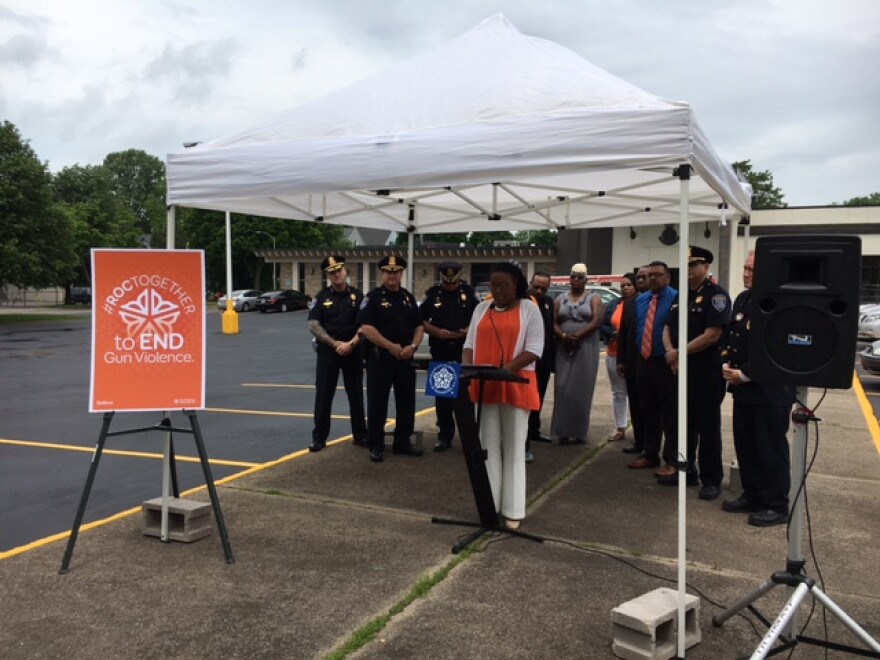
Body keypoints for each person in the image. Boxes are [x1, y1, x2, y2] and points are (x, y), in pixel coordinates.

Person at [463, 261, 543, 530]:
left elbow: (533, 350)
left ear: (516, 285)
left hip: (516, 383)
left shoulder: (530, 309)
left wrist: (503, 372)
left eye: (503, 285)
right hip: (484, 385)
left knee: (513, 447)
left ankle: (513, 508)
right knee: (487, 448)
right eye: (493, 285)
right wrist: (468, 371)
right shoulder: (480, 308)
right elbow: (469, 345)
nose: (497, 290)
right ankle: (490, 505)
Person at [721, 251, 795, 526]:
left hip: (770, 391)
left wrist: (746, 374)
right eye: (745, 268)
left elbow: (776, 348)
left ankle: (776, 504)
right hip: (743, 389)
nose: (746, 273)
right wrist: (725, 364)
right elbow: (733, 337)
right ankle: (751, 495)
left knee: (770, 449)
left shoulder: (778, 303)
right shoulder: (743, 299)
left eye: (752, 269)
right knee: (747, 445)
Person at [661, 246, 731, 501]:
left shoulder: (716, 296)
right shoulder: (682, 295)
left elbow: (712, 335)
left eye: (694, 265)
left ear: (706, 267)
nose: (689, 270)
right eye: (687, 266)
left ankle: (712, 479)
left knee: (708, 427)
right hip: (680, 369)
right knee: (684, 424)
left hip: (705, 373)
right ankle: (686, 470)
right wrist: (670, 351)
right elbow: (667, 327)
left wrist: (679, 352)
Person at [357, 255, 425, 463]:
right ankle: (376, 444)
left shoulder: (408, 297)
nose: (392, 275)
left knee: (407, 402)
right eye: (388, 271)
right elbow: (366, 328)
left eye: (396, 272)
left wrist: (412, 346)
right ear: (382, 274)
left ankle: (402, 442)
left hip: (405, 357)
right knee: (378, 402)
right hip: (381, 358)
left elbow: (419, 326)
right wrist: (390, 346)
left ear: (402, 273)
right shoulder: (373, 297)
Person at [307, 255, 368, 452]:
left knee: (356, 394)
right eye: (332, 272)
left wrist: (350, 344)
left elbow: (365, 325)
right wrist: (335, 345)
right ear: (328, 275)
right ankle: (319, 438)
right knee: (324, 395)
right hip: (328, 351)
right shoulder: (322, 297)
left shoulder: (358, 296)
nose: (336, 274)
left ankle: (360, 435)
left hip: (353, 350)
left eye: (339, 270)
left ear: (345, 271)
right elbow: (313, 325)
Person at [420, 261, 480, 452]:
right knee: (442, 396)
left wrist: (467, 331)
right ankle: (444, 436)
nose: (451, 285)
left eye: (453, 282)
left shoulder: (469, 293)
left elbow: (479, 318)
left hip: (464, 349)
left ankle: (469, 438)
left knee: (467, 396)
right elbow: (420, 320)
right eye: (447, 281)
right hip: (441, 348)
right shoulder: (432, 294)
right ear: (441, 278)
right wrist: (437, 332)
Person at [627, 261, 678, 471]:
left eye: (658, 275)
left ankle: (671, 458)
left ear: (668, 277)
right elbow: (637, 328)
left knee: (670, 413)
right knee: (647, 409)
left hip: (665, 361)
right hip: (643, 360)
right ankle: (650, 453)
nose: (653, 279)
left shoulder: (676, 297)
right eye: (650, 275)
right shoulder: (641, 300)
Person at [551, 263, 604, 445]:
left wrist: (578, 336)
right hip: (564, 348)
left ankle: (579, 432)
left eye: (580, 277)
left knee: (582, 389)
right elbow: (553, 322)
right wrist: (564, 337)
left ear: (586, 279)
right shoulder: (560, 298)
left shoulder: (594, 298)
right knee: (562, 388)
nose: (576, 280)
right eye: (573, 276)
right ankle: (562, 432)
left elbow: (597, 321)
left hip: (586, 348)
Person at [600, 272, 637, 443]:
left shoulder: (640, 304)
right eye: (623, 285)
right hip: (613, 354)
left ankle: (640, 430)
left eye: (629, 285)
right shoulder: (614, 304)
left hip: (633, 356)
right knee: (618, 393)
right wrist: (612, 333)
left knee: (636, 394)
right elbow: (602, 324)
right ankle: (620, 428)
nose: (626, 288)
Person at [616, 266, 649, 454]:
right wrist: (620, 361)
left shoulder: (660, 300)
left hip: (652, 364)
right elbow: (623, 334)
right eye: (640, 278)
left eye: (646, 277)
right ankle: (639, 442)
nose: (642, 281)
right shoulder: (629, 304)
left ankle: (651, 446)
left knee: (650, 407)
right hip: (631, 362)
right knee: (635, 405)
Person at [526, 270, 555, 463]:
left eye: (543, 288)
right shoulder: (525, 301)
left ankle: (534, 430)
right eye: (536, 287)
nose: (539, 290)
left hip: (544, 357)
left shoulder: (548, 302)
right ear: (530, 283)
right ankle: (526, 433)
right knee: (528, 398)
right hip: (528, 360)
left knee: (539, 396)